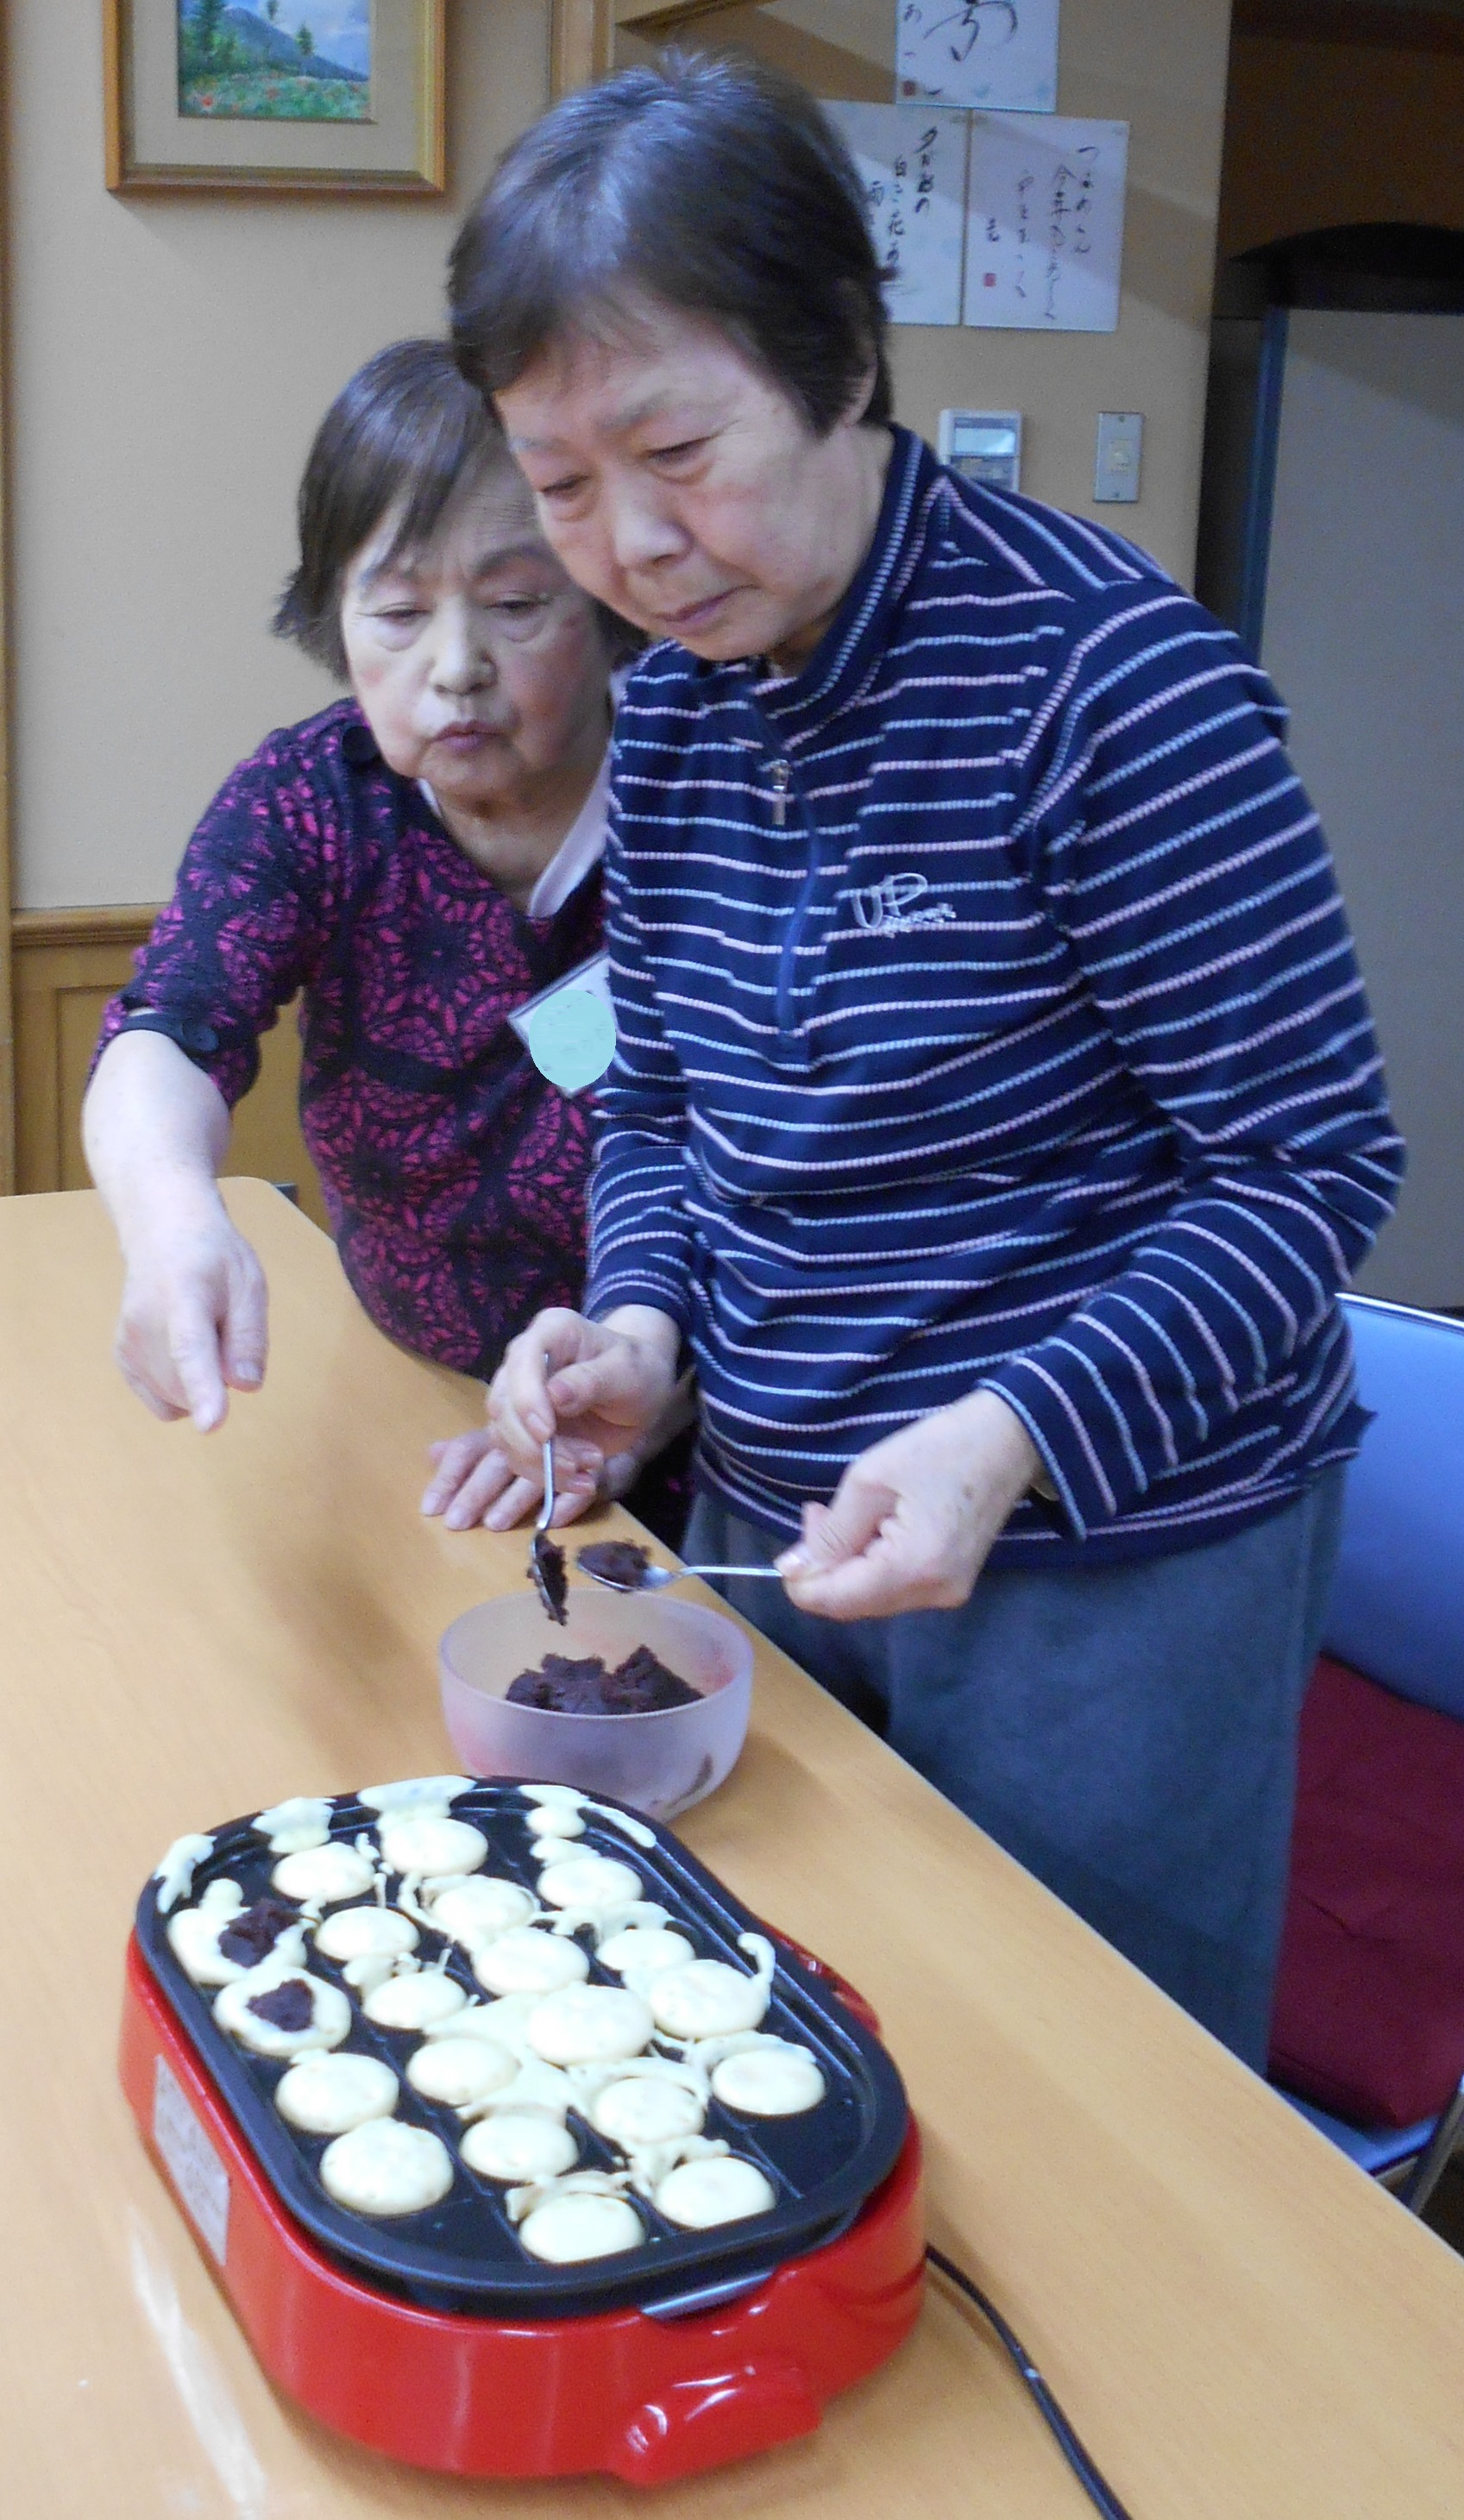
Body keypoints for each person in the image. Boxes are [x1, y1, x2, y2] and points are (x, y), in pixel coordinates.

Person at [446, 54, 1404, 2068]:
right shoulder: (690, 711)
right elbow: (667, 1101)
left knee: (1085, 2097)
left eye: (677, 449)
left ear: (839, 362)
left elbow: (1309, 1174)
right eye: (557, 484)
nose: (632, 544)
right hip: (783, 1511)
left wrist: (1008, 1433)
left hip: (1105, 1555)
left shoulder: (1106, 683)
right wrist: (638, 1326)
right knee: (808, 2050)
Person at [84, 338, 690, 1537]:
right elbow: (168, 1030)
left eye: (516, 605)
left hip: (712, 1407)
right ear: (333, 615)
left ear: (609, 599)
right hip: (412, 1389)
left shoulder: (706, 788)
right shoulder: (317, 799)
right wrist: (172, 1224)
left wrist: (652, 1394)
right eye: (401, 611)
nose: (454, 668)